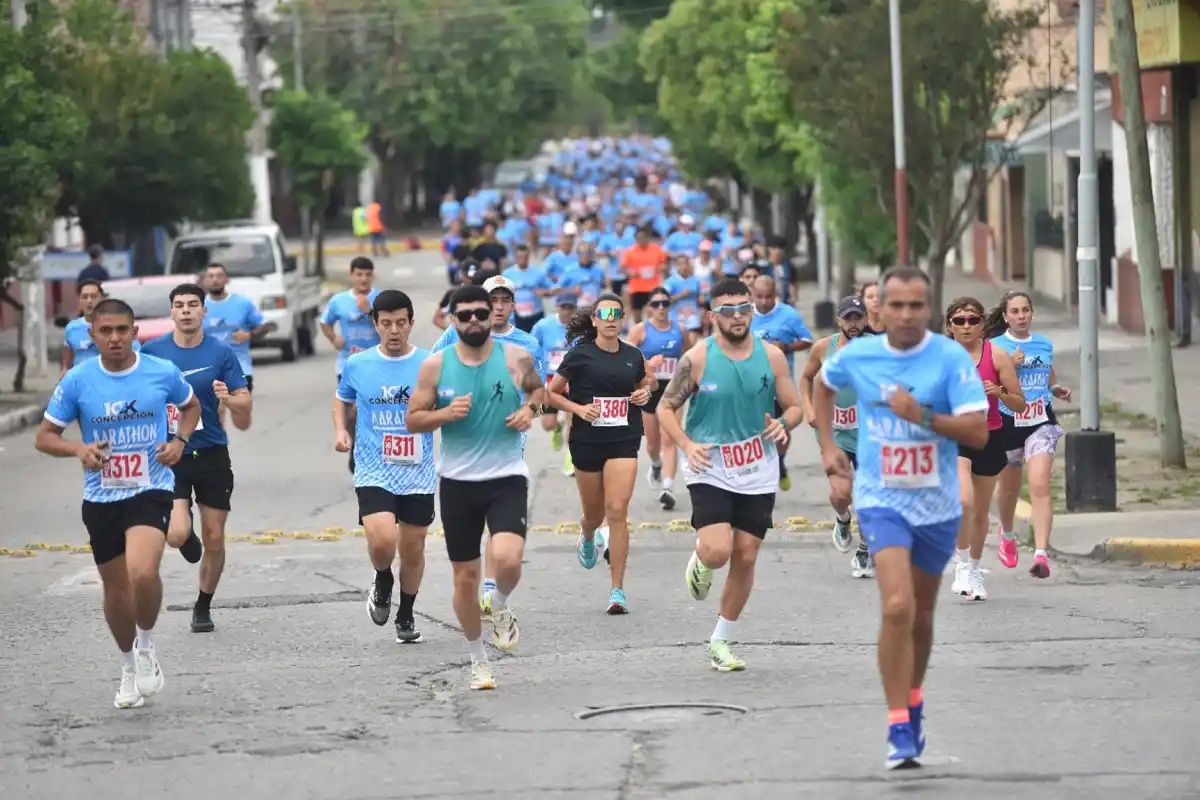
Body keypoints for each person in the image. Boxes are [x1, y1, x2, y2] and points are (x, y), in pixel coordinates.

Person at [813, 266, 989, 769]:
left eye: (916, 305)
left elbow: (977, 432)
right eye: (897, 305)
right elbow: (822, 387)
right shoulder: (859, 354)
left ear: (928, 310)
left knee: (923, 615)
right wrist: (829, 449)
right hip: (880, 496)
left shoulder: (949, 358)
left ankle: (913, 699)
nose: (907, 314)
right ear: (880, 309)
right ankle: (897, 726)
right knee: (896, 606)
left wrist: (923, 417)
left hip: (936, 503)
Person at [35, 297, 201, 709]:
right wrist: (77, 450)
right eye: (105, 331)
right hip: (101, 495)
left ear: (135, 333)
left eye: (121, 331)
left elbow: (191, 406)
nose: (114, 338)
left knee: (142, 573)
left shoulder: (161, 372)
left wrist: (179, 442)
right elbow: (44, 436)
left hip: (151, 487)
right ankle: (128, 664)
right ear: (91, 335)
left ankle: (146, 649)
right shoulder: (78, 379)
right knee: (116, 590)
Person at [656, 279, 803, 672]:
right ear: (711, 316)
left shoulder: (771, 357)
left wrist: (784, 424)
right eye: (727, 310)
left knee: (747, 554)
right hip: (711, 466)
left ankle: (721, 640)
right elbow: (665, 410)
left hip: (758, 467)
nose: (737, 316)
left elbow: (794, 407)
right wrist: (687, 446)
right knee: (719, 551)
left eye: (743, 308)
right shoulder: (697, 359)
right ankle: (703, 559)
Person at [406, 285, 545, 691]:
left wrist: (528, 408)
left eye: (479, 314)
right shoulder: (435, 366)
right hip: (457, 482)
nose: (473, 321)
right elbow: (413, 419)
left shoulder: (515, 357)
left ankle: (499, 605)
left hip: (505, 475)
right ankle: (477, 658)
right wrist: (445, 414)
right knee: (465, 579)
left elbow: (540, 391)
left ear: (491, 316)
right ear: (452, 319)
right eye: (463, 315)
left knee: (508, 559)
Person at [142, 283, 252, 634]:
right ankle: (187, 538)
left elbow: (244, 402)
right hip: (169, 453)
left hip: (211, 453)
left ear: (204, 311)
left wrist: (228, 398)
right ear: (171, 313)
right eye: (179, 305)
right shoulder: (152, 352)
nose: (186, 311)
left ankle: (203, 605)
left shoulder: (221, 353)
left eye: (193, 305)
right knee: (176, 535)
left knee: (216, 537)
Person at [333, 290, 431, 644]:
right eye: (386, 323)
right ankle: (382, 575)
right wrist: (341, 430)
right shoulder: (358, 364)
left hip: (418, 469)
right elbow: (342, 398)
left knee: (414, 547)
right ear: (375, 324)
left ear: (411, 324)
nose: (394, 330)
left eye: (401, 323)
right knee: (383, 538)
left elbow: (446, 404)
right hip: (374, 466)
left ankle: (406, 614)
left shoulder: (429, 363)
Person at [548, 294, 655, 614]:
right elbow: (550, 393)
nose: (610, 319)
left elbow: (647, 381)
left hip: (624, 438)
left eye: (616, 314)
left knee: (618, 509)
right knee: (594, 514)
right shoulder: (579, 355)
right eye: (603, 314)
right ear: (594, 320)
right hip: (587, 441)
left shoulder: (633, 355)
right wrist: (578, 409)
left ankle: (617, 589)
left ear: (622, 320)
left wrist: (645, 391)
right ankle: (588, 532)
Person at [985, 291, 1071, 579]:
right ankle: (1007, 534)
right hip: (1007, 423)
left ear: (1032, 313)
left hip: (1040, 422)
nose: (1021, 316)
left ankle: (1041, 555)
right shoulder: (995, 347)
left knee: (1040, 484)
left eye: (1025, 310)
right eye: (1015, 311)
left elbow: (1047, 373)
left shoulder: (1043, 344)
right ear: (1006, 316)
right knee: (1008, 490)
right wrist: (1011, 364)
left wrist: (1057, 389)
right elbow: (986, 382)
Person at [943, 297, 1024, 602]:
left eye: (973, 320)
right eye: (959, 321)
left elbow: (1019, 401)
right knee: (963, 500)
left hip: (990, 436)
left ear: (982, 324)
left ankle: (974, 568)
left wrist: (1000, 392)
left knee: (979, 510)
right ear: (949, 326)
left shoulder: (997, 355)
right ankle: (962, 564)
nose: (966, 326)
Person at [799, 295, 872, 578]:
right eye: (848, 318)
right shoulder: (822, 348)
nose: (853, 324)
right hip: (835, 432)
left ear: (866, 319)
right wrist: (808, 407)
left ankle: (865, 551)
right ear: (839, 320)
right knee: (841, 493)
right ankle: (843, 519)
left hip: (868, 433)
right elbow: (806, 378)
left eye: (858, 318)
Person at [749, 275, 813, 492]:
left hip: (780, 384)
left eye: (768, 297)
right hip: (750, 385)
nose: (764, 301)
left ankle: (780, 461)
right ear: (752, 295)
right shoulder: (744, 315)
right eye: (759, 297)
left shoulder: (788, 314)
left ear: (775, 293)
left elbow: (807, 340)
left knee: (782, 429)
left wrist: (786, 347)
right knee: (753, 429)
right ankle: (756, 472)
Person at [625, 286, 685, 509]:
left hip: (673, 391)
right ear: (650, 307)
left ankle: (668, 488)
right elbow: (625, 362)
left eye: (665, 304)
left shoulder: (680, 331)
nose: (661, 308)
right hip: (649, 390)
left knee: (670, 438)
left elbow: (688, 359)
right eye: (656, 304)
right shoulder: (640, 331)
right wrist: (648, 366)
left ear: (670, 306)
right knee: (652, 443)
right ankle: (657, 464)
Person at [321, 257, 382, 473]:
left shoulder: (380, 299)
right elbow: (324, 322)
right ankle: (355, 445)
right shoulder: (339, 301)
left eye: (367, 274)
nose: (363, 279)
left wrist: (369, 311)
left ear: (372, 275)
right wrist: (333, 338)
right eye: (359, 274)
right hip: (347, 365)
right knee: (351, 413)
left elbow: (390, 326)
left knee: (370, 412)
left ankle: (372, 450)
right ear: (352, 275)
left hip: (376, 365)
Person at [202, 263, 272, 429]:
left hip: (240, 368)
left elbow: (266, 327)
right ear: (205, 280)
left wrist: (249, 335)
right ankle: (218, 448)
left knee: (242, 423)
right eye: (211, 276)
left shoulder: (242, 303)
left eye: (219, 276)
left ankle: (235, 409)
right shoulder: (198, 306)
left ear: (226, 279)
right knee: (215, 414)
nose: (215, 280)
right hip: (209, 369)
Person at [531, 295, 577, 474]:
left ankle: (570, 458)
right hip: (550, 380)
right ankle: (557, 429)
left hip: (573, 380)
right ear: (557, 307)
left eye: (570, 307)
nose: (566, 310)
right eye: (563, 306)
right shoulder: (543, 326)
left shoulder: (582, 327)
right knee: (547, 424)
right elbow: (531, 346)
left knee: (571, 421)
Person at [62, 280, 140, 373]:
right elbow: (67, 360)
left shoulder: (116, 324)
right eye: (84, 297)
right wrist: (65, 369)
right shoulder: (71, 328)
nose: (89, 301)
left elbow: (136, 354)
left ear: (101, 298)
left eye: (93, 296)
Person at [502, 244, 555, 333]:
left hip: (536, 314)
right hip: (517, 315)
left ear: (529, 256)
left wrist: (544, 292)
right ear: (515, 257)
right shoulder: (507, 274)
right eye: (520, 257)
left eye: (525, 257)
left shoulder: (538, 273)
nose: (522, 260)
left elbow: (553, 290)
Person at [619, 226, 667, 323]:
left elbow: (664, 264)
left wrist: (662, 268)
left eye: (644, 237)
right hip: (636, 288)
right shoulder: (630, 251)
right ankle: (639, 335)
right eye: (639, 238)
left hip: (653, 287)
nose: (642, 240)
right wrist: (630, 273)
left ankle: (651, 335)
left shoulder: (656, 249)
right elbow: (622, 269)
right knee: (637, 316)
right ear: (636, 239)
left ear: (648, 238)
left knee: (653, 314)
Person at [664, 253, 703, 346]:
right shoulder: (670, 281)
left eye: (686, 263)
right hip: (676, 319)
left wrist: (701, 300)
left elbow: (700, 298)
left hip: (693, 319)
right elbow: (665, 301)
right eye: (681, 264)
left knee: (691, 347)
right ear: (677, 266)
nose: (684, 266)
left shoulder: (696, 280)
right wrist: (680, 295)